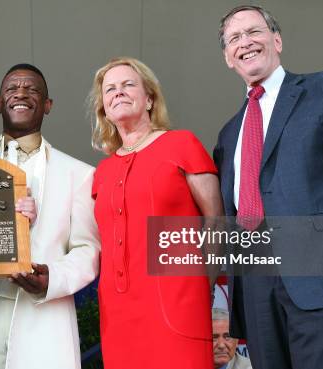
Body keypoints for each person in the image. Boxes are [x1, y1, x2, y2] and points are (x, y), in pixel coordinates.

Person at [213, 5, 323, 369]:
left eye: (253, 32)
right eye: (234, 38)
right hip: (257, 286)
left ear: (276, 40)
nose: (245, 42)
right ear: (228, 58)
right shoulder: (229, 133)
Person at [0, 64, 100, 369]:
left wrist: (52, 280)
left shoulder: (79, 174)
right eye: (11, 88)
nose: (21, 93)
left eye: (32, 89)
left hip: (43, 313)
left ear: (47, 105)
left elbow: (88, 250)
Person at [89, 57, 223, 369]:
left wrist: (204, 288)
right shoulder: (103, 172)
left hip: (179, 303)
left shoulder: (182, 144)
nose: (118, 92)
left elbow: (216, 221)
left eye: (127, 85)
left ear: (149, 98)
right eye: (110, 89)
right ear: (104, 109)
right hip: (118, 313)